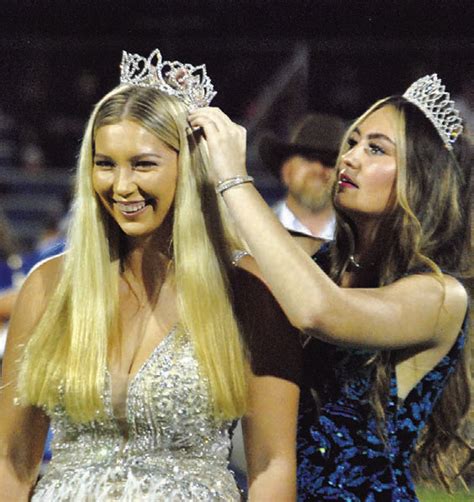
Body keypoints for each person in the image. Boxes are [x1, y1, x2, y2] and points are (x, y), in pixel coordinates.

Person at [0, 49, 302, 501]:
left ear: (189, 167)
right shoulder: (50, 286)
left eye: (143, 164)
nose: (121, 186)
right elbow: (13, 459)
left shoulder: (247, 290)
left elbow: (270, 465)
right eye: (105, 164)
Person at [189, 73, 472, 500]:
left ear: (423, 177)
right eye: (353, 142)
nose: (350, 158)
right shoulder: (318, 262)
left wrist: (234, 175)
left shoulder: (440, 295)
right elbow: (223, 241)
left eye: (376, 148)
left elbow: (319, 311)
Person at [259, 113, 345, 240]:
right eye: (309, 158)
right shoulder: (250, 231)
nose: (318, 170)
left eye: (330, 162)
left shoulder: (362, 240)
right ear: (286, 170)